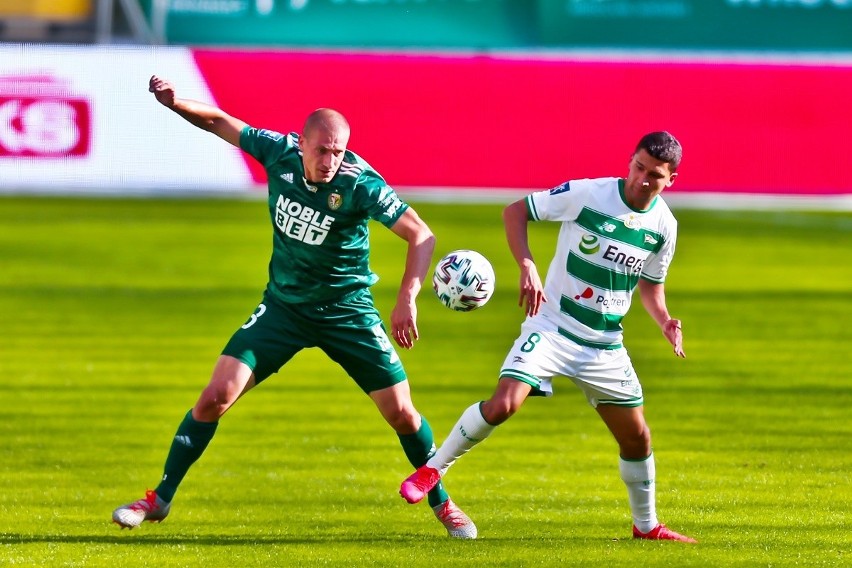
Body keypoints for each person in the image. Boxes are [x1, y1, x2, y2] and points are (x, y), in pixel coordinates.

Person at [111, 75, 477, 539]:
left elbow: (420, 234)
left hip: (348, 312)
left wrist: (407, 298)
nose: (330, 161)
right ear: (301, 143)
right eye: (322, 150)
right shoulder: (278, 152)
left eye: (339, 151)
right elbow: (221, 122)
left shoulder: (360, 184)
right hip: (284, 309)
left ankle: (443, 504)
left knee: (402, 414)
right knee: (215, 397)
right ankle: (158, 499)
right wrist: (173, 101)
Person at [399, 131, 696, 543]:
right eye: (638, 167)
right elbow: (515, 212)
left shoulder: (664, 226)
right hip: (552, 327)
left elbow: (650, 285)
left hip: (605, 345)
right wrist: (527, 265)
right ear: (630, 160)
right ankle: (434, 470)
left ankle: (646, 526)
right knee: (504, 403)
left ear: (671, 180)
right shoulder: (589, 195)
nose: (641, 180)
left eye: (654, 176)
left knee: (637, 436)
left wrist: (664, 319)